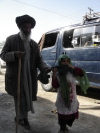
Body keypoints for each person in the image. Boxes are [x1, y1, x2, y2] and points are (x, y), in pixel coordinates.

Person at [0, 14, 50, 130]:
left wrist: (45, 67)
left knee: (27, 98)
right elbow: (2, 55)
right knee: (19, 98)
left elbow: (39, 59)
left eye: (29, 28)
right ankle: (22, 118)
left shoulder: (33, 44)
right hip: (16, 77)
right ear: (20, 27)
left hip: (29, 77)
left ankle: (20, 117)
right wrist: (14, 55)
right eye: (25, 27)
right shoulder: (11, 39)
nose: (27, 30)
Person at [52, 54, 89, 133]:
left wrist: (72, 67)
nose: (65, 63)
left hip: (72, 98)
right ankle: (62, 128)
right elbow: (54, 85)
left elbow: (82, 73)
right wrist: (54, 74)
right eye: (63, 61)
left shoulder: (73, 71)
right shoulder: (58, 73)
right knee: (62, 115)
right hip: (62, 98)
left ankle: (65, 126)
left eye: (67, 61)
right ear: (60, 62)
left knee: (71, 115)